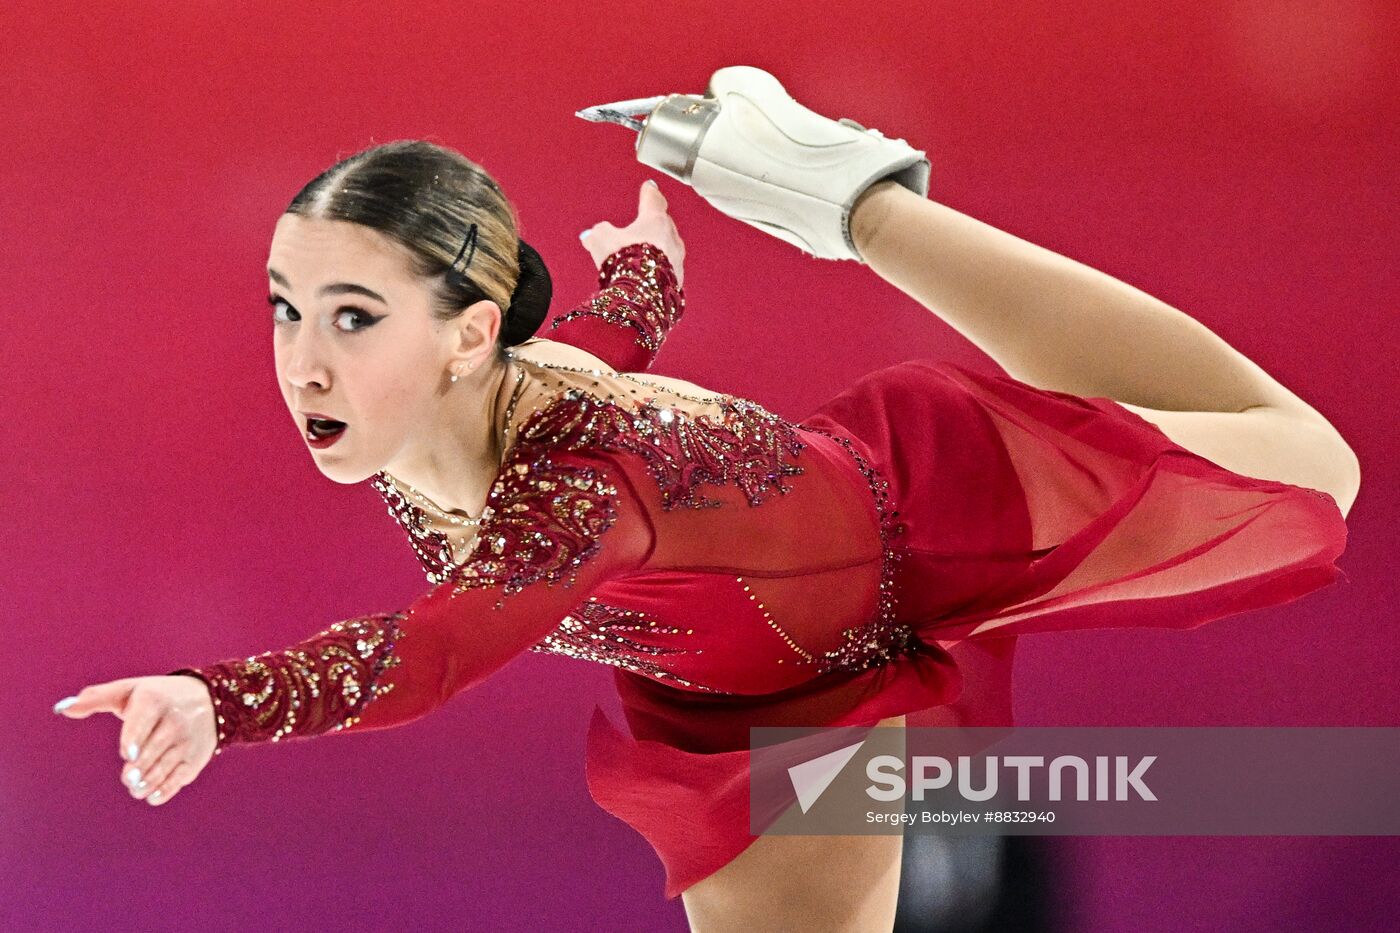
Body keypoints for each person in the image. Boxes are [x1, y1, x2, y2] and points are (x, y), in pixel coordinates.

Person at [54, 64, 1358, 932]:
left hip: (920, 519)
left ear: (461, 337)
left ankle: (859, 204)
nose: (306, 360)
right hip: (743, 709)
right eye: (288, 309)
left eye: (351, 315)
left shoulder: (569, 486)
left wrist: (220, 700)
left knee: (1315, 469)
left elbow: (434, 650)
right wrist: (647, 277)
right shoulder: (455, 409)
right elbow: (612, 338)